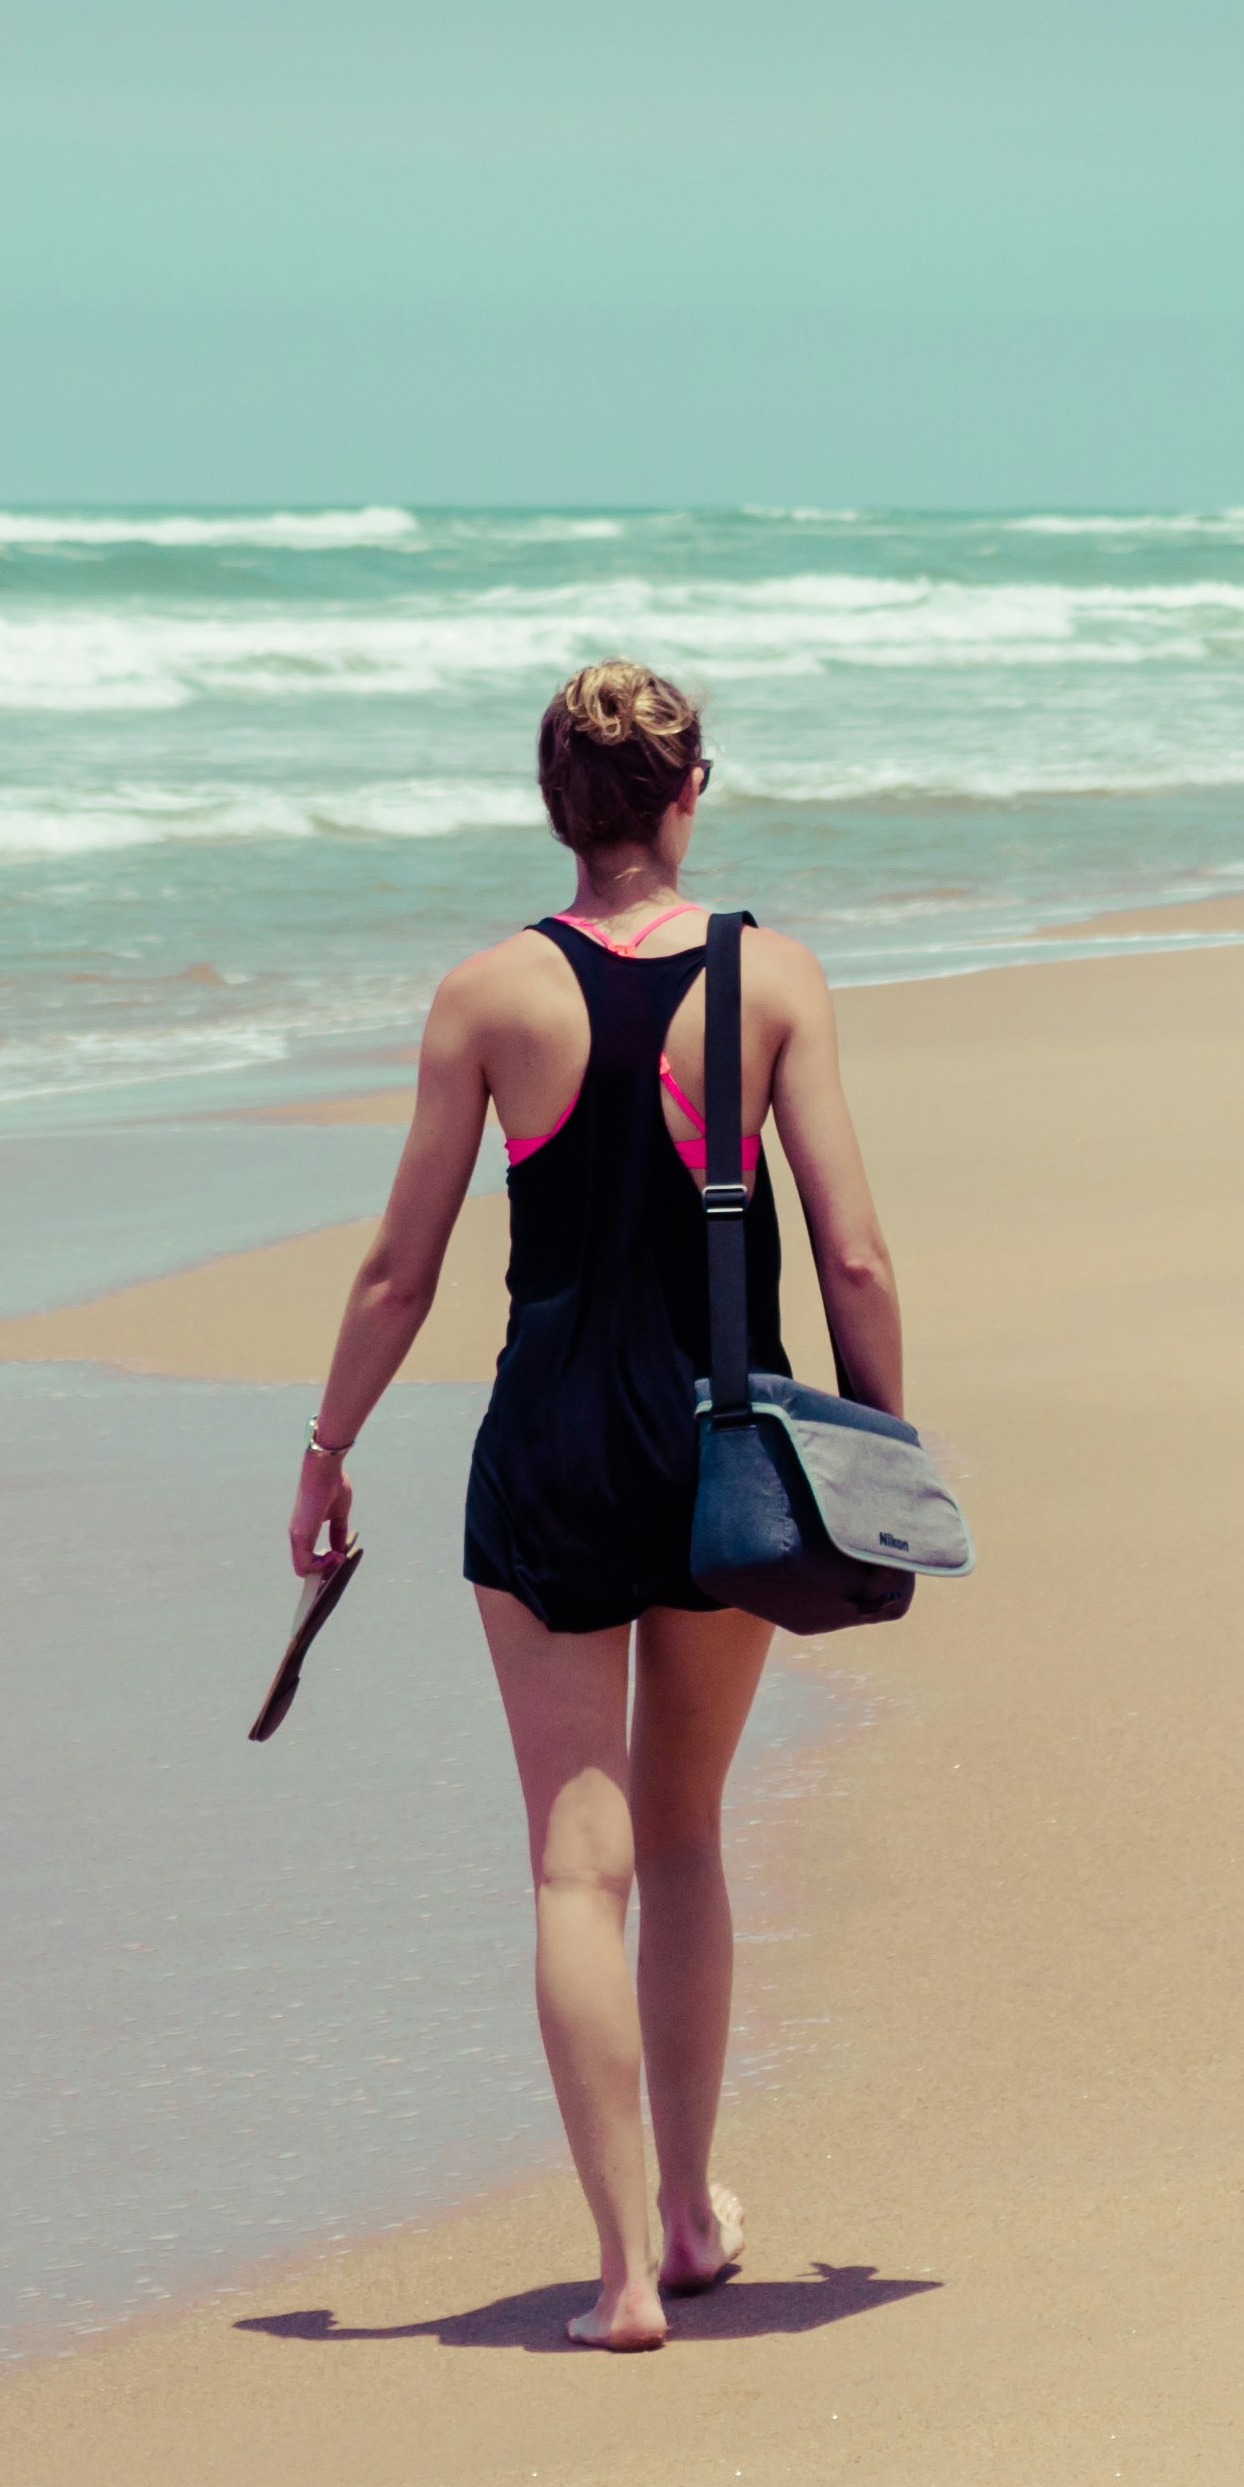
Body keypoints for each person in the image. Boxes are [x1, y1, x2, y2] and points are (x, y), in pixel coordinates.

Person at [285, 659, 908, 2353]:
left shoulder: (488, 997)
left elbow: (400, 1271)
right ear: (689, 791)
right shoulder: (769, 980)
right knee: (689, 1832)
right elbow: (850, 1248)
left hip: (551, 1445)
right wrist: (882, 1455)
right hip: (720, 1454)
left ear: (557, 804)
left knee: (578, 1867)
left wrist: (328, 1447)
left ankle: (625, 2271)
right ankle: (701, 2217)